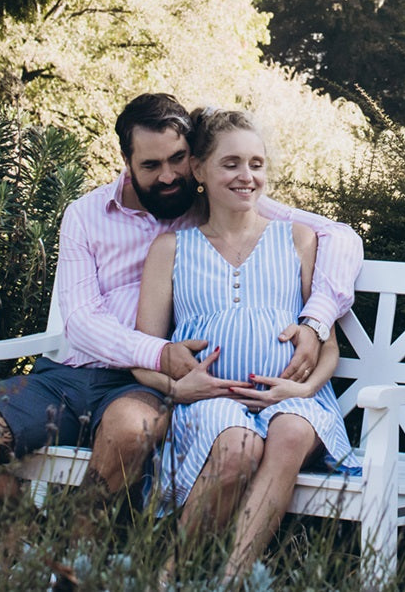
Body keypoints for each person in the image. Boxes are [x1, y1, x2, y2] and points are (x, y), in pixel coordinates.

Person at [0, 93, 360, 505]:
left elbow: (338, 236)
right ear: (127, 163)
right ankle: (32, 531)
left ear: (194, 161)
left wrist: (315, 320)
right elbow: (80, 321)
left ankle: (78, 558)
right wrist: (159, 353)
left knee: (130, 433)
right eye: (151, 165)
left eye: (177, 161)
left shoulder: (212, 203)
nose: (169, 176)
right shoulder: (86, 214)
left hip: (141, 388)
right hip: (69, 377)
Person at [129, 107, 359, 584]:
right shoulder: (171, 249)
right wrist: (178, 388)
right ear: (199, 170)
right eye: (231, 163)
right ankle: (169, 574)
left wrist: (299, 390)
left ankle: (234, 579)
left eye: (256, 163)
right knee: (236, 447)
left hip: (294, 400)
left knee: (291, 432)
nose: (246, 176)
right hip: (209, 401)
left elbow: (328, 347)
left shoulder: (298, 240)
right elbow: (143, 354)